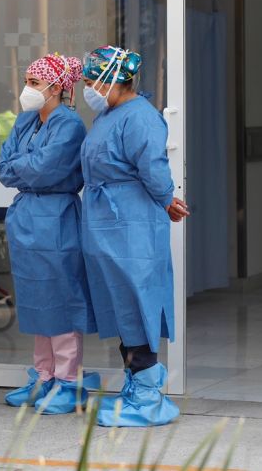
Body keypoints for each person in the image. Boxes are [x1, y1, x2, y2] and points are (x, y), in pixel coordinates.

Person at [80, 45, 190, 427]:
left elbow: (153, 167)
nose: (88, 88)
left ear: (113, 78)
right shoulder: (108, 115)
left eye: (91, 81)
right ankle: (135, 386)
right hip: (109, 223)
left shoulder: (140, 116)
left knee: (137, 299)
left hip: (132, 223)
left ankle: (147, 396)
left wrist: (166, 198)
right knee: (121, 304)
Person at [0, 52, 97, 414]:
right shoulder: (26, 120)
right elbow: (4, 167)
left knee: (61, 298)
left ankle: (68, 382)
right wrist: (23, 167)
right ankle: (44, 376)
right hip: (26, 217)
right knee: (37, 300)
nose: (27, 89)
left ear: (56, 88)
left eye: (34, 82)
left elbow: (44, 168)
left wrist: (21, 166)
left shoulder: (69, 125)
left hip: (57, 218)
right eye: (26, 81)